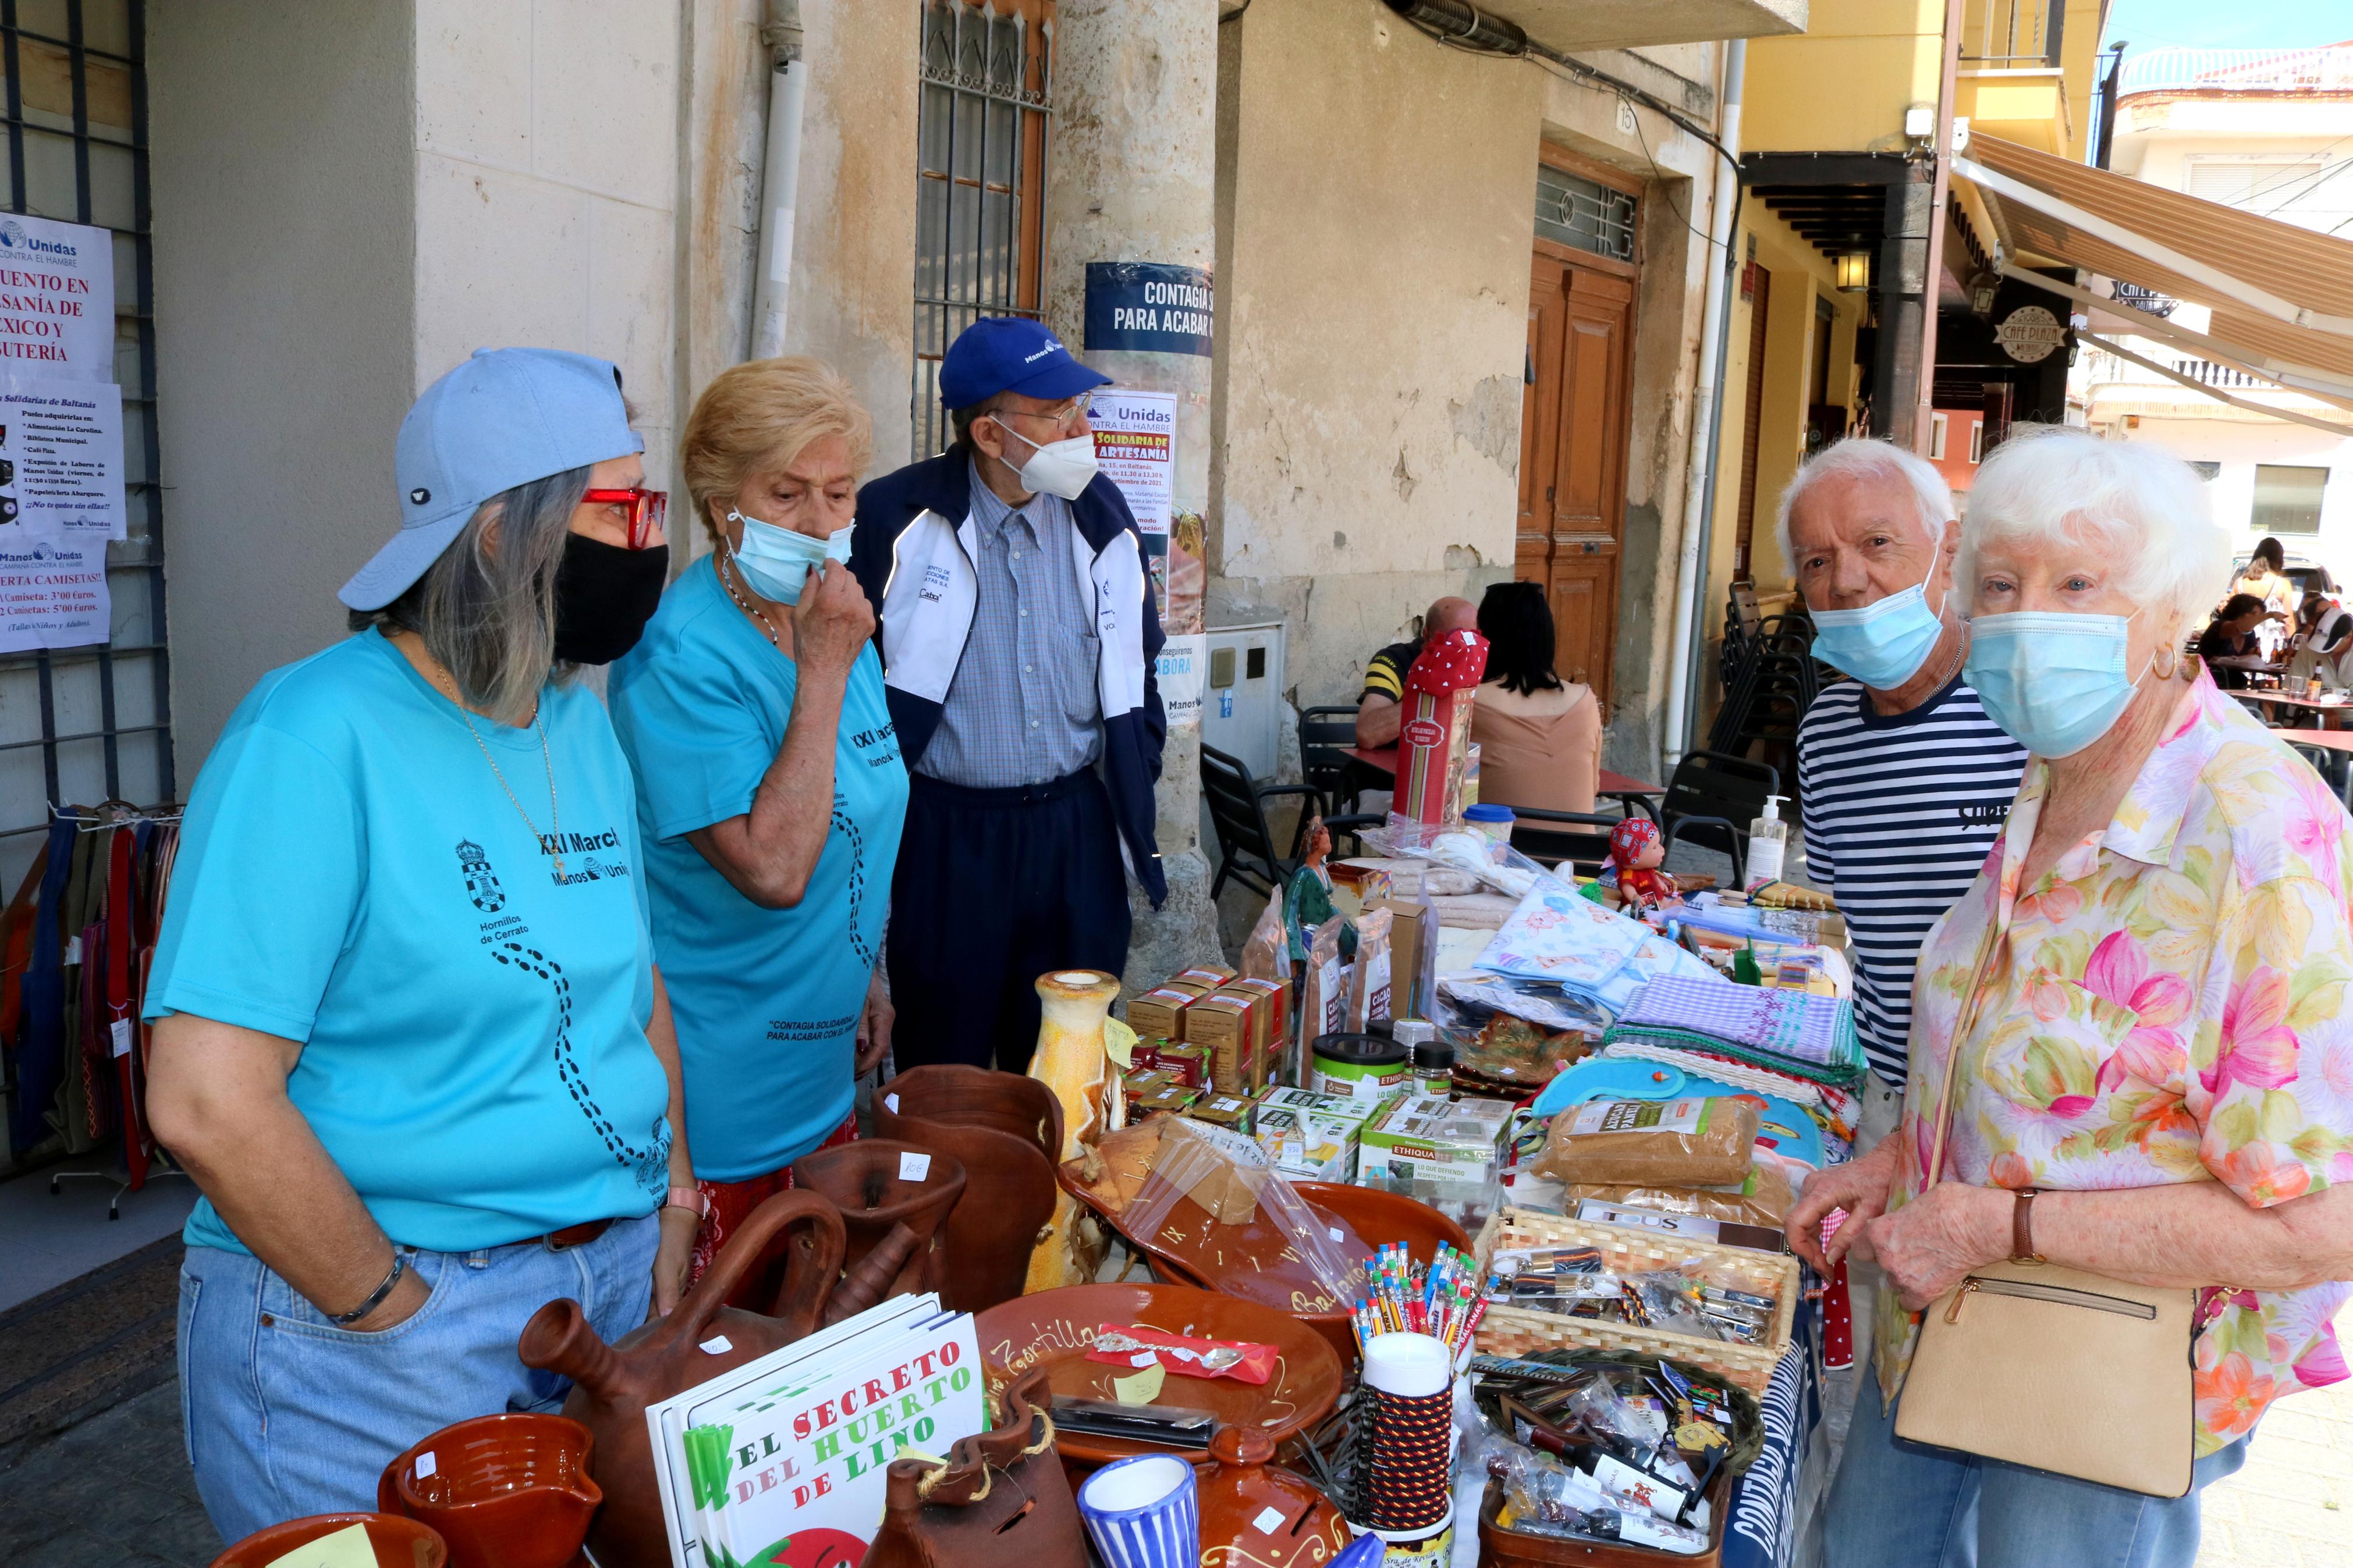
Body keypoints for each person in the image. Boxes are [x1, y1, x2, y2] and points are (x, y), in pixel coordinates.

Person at [145, 349, 700, 1541]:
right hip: (375, 1324)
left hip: (592, 1294)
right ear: (504, 535)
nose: (652, 544)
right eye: (620, 509)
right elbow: (205, 1099)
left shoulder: (575, 721)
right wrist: (394, 1311)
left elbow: (628, 984)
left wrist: (672, 1201)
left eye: (653, 510)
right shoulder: (311, 736)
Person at [1795, 427, 2353, 1568]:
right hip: (1952, 1318)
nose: (2024, 613)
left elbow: (2319, 1222)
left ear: (2166, 614)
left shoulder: (2259, 832)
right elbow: (2035, 1081)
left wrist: (2001, 1226)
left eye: (2075, 581)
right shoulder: (2049, 778)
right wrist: (1895, 1167)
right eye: (1997, 583)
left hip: (2114, 1369)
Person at [608, 357, 906, 1290]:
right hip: (721, 1104)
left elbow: (857, 807)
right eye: (786, 493)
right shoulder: (679, 656)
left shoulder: (827, 614)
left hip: (822, 1077)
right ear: (716, 499)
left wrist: (869, 966)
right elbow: (773, 868)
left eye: (838, 491)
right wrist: (820, 671)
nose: (822, 524)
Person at [1781, 439, 2030, 1450]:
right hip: (1900, 1118)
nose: (1845, 581)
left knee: (2022, 1435)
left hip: (2032, 1135)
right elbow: (1861, 936)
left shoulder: (2031, 709)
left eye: (1876, 543)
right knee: (1905, 1422)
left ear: (1947, 548)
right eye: (1813, 561)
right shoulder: (1826, 731)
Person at [849, 318, 1163, 1075]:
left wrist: (1131, 777)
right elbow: (847, 683)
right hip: (946, 838)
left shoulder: (1100, 511)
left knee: (1068, 1071)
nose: (1081, 430)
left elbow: (1139, 666)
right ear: (990, 434)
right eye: (1057, 415)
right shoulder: (893, 519)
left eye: (1079, 408)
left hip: (1071, 834)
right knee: (942, 1075)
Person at [1468, 580, 1599, 813]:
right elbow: (1593, 787)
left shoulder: (1471, 700)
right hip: (1578, 848)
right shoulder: (1586, 701)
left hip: (1499, 846)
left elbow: (1448, 786)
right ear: (1547, 635)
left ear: (1487, 636)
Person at [1354, 595, 1478, 748]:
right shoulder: (1394, 660)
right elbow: (1367, 734)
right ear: (1427, 635)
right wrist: (1433, 688)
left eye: (1471, 639)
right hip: (1382, 767)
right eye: (1452, 641)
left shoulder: (1477, 662)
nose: (1463, 648)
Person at [2233, 535, 2295, 657]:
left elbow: (2230, 615)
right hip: (2271, 645)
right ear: (2279, 559)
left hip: (2242, 641)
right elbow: (2289, 621)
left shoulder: (2240, 582)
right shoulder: (2282, 585)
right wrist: (2292, 647)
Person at [2287, 573, 2351, 690]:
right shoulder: (2308, 647)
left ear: (2349, 637)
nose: (2322, 649)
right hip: (2313, 708)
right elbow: (2291, 688)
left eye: (2331, 644)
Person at [2194, 592, 2269, 688]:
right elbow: (2238, 626)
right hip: (2208, 678)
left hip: (2231, 680)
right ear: (2239, 612)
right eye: (2253, 613)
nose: (2258, 619)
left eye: (2260, 615)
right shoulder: (2222, 626)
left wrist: (2231, 660)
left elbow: (2252, 657)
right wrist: (2270, 616)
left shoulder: (2250, 633)